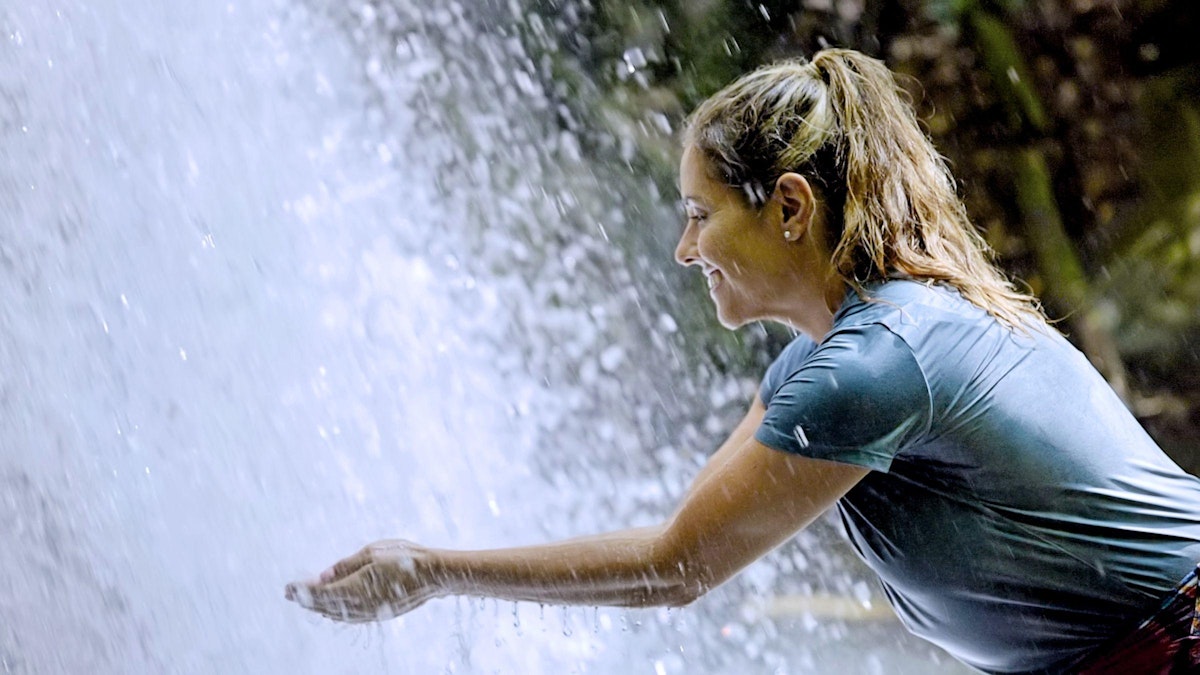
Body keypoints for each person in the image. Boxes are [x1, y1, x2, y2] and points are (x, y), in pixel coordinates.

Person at [285, 49, 1200, 673]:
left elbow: (677, 568)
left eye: (700, 213)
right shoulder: (842, 353)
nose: (686, 250)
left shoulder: (874, 364)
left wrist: (435, 569)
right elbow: (686, 528)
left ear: (790, 208)